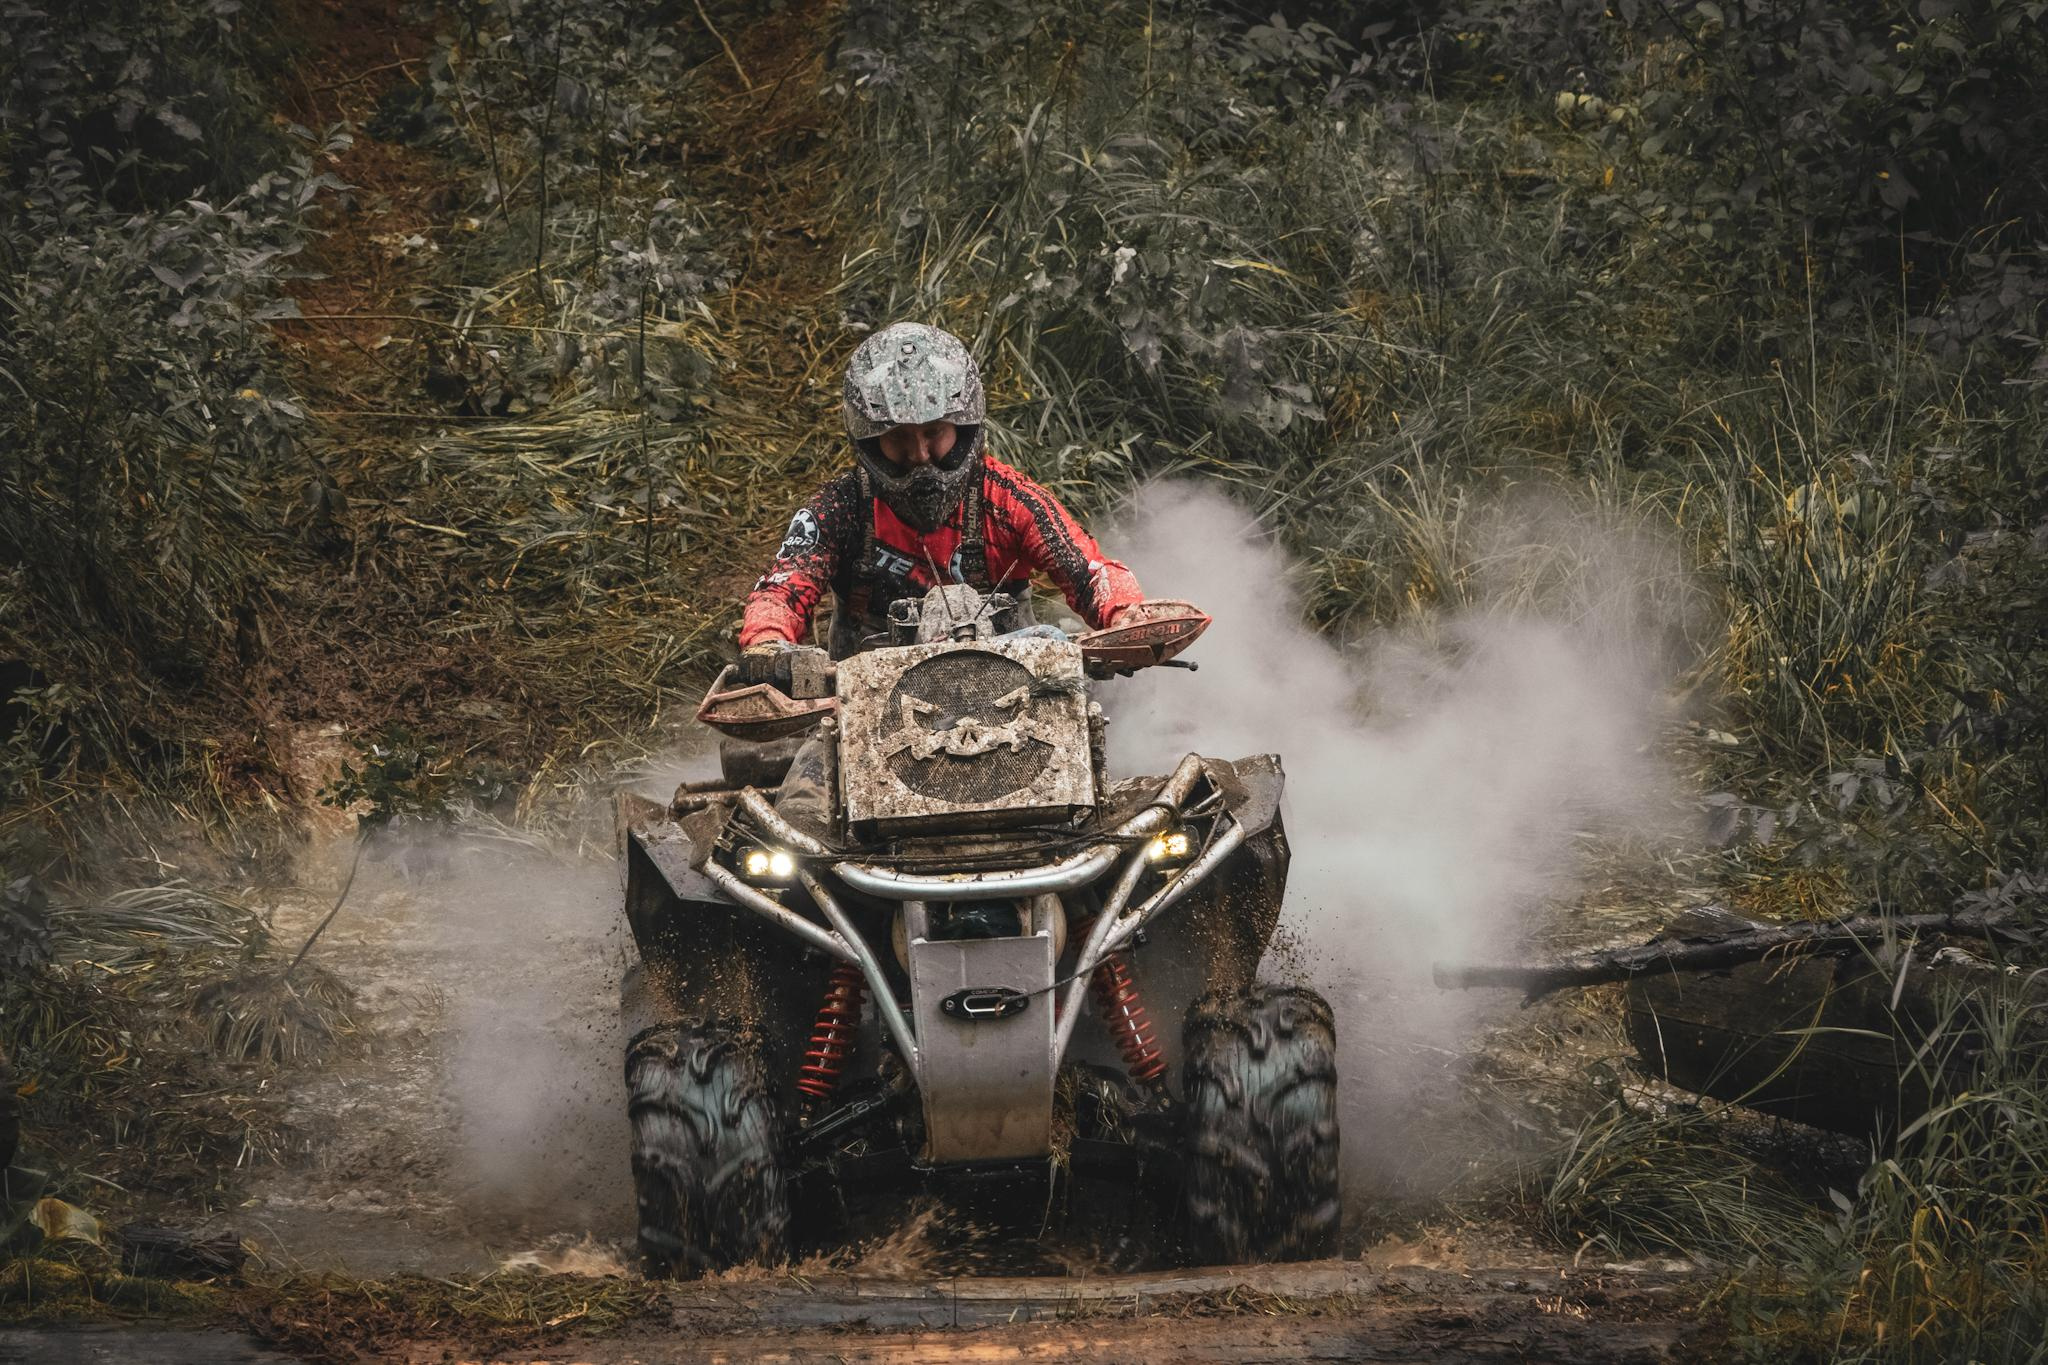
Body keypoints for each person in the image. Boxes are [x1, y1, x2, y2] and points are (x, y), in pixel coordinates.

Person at [739, 322, 1146, 661]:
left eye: (934, 432)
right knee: (803, 738)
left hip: (1017, 689)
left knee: (1095, 712)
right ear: (868, 441)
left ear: (964, 427)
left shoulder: (1009, 501)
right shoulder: (840, 509)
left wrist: (1127, 615)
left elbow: (1088, 571)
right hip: (868, 702)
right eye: (898, 438)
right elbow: (781, 589)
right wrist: (766, 644)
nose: (920, 455)